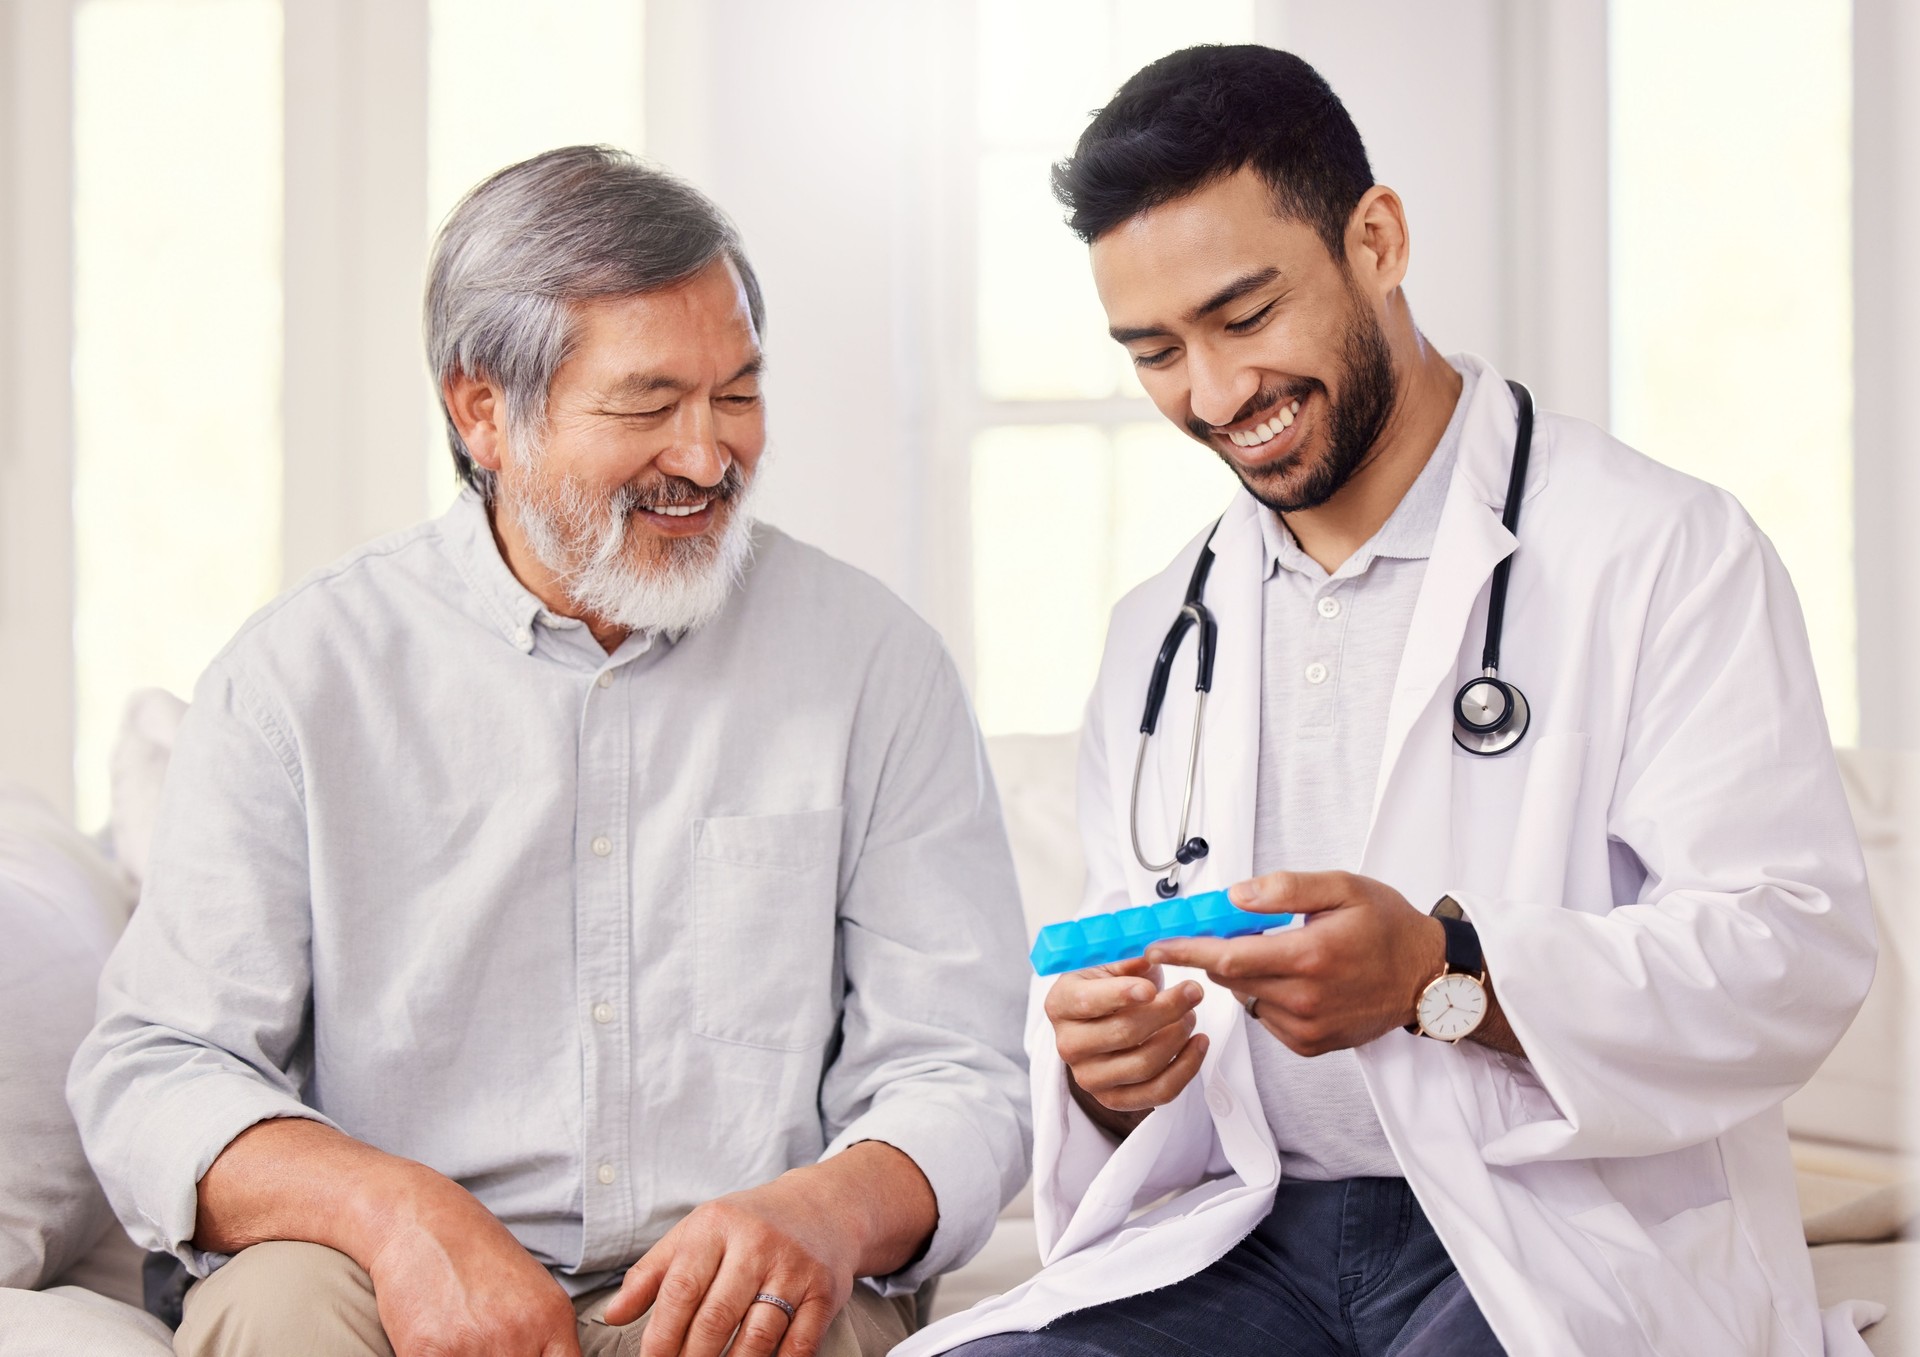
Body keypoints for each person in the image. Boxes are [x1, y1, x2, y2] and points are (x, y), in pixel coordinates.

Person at [902, 45, 1876, 1357]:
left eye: (1246, 317)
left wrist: (1444, 971)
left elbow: (1792, 953)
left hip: (1545, 1234)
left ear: (1377, 239)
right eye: (1155, 351)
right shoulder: (1158, 631)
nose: (1212, 394)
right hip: (1246, 1236)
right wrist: (1107, 1077)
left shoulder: (1660, 552)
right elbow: (1132, 1001)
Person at [68, 146, 1031, 1357]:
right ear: (483, 411)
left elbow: (963, 1066)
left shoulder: (876, 662)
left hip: (740, 1281)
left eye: (737, 393)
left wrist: (827, 1209)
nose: (707, 453)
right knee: (280, 1311)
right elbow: (158, 1067)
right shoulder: (296, 679)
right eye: (647, 404)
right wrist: (399, 1215)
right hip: (382, 1274)